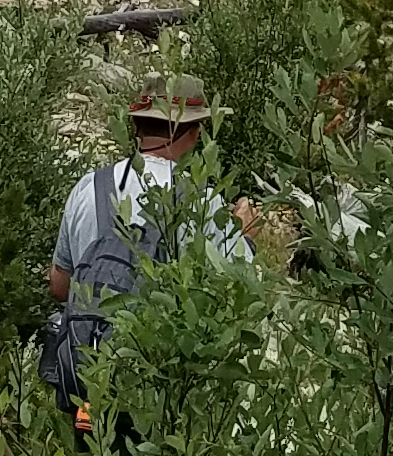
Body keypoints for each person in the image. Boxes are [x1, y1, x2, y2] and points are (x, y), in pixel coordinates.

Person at [38, 77, 248, 425]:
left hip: (86, 385)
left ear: (135, 125)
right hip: (158, 396)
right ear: (194, 133)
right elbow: (235, 292)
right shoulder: (202, 200)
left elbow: (60, 288)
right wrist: (242, 233)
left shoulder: (89, 187)